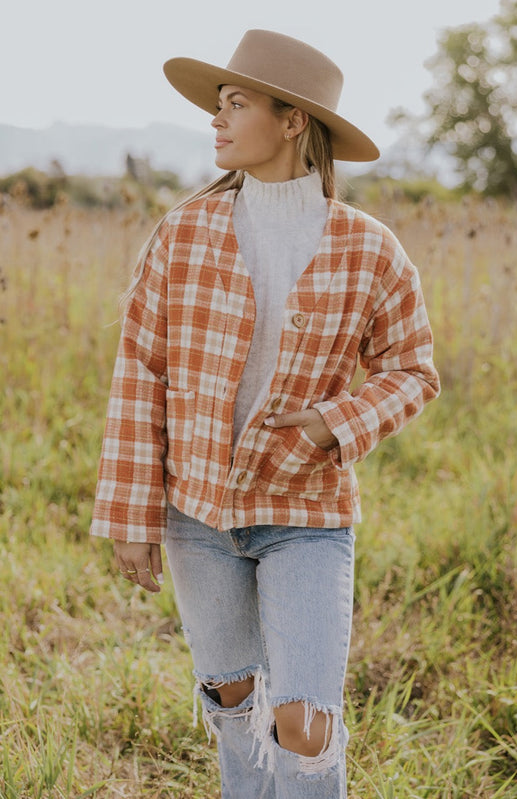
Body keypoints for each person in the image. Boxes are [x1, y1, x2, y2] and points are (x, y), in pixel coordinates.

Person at [91, 29, 440, 799]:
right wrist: (130, 514)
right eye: (217, 104)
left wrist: (331, 424)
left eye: (236, 103)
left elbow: (413, 371)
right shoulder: (182, 233)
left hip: (306, 513)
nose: (217, 119)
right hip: (196, 516)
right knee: (231, 699)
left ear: (292, 122)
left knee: (304, 720)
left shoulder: (369, 248)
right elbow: (139, 372)